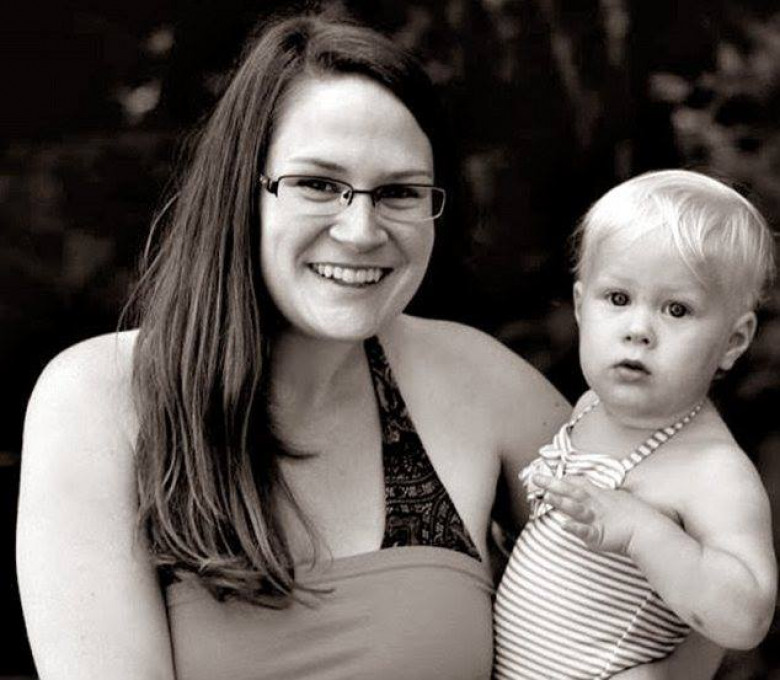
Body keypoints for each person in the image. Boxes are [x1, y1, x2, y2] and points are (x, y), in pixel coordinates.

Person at [16, 14, 723, 680]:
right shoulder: (100, 399)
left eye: (399, 193)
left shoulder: (473, 378)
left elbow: (703, 551)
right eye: (317, 184)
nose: (360, 231)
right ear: (242, 192)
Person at [494, 169, 778, 679]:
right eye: (619, 299)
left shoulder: (712, 470)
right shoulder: (589, 408)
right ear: (580, 306)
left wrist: (641, 531)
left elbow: (746, 618)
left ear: (733, 342)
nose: (639, 330)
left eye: (677, 309)